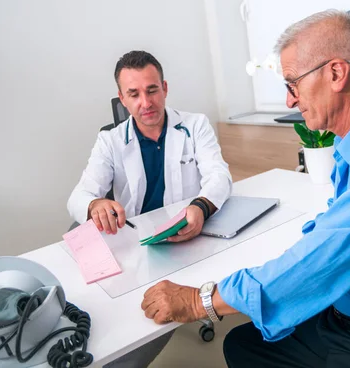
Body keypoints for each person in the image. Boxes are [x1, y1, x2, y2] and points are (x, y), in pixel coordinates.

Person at [140, 10, 350, 368]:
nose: (289, 101)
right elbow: (335, 233)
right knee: (246, 345)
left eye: (292, 83)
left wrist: (202, 302)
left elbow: (325, 258)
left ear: (336, 73)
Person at [68, 50, 232, 367]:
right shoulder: (110, 141)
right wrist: (95, 204)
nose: (146, 102)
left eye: (152, 90)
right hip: (134, 241)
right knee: (109, 315)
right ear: (122, 99)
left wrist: (201, 205)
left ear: (165, 88)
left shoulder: (195, 126)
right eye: (134, 94)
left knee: (141, 331)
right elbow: (78, 196)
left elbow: (219, 176)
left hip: (183, 237)